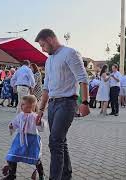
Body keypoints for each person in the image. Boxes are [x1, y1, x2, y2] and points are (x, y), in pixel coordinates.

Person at [35, 29, 90, 180]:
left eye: (43, 45)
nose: (43, 49)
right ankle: (66, 175)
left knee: (55, 142)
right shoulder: (49, 60)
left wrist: (85, 102)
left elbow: (83, 78)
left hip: (67, 103)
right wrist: (40, 110)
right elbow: (46, 87)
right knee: (61, 141)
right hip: (52, 104)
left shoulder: (70, 53)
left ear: (51, 39)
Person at [2, 95, 45, 180]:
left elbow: (41, 127)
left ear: (31, 106)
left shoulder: (35, 116)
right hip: (20, 139)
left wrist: (39, 123)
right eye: (21, 104)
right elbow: (15, 124)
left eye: (23, 104)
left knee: (36, 158)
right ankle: (12, 174)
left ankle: (41, 174)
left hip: (32, 140)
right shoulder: (20, 115)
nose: (21, 106)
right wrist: (11, 126)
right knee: (12, 155)